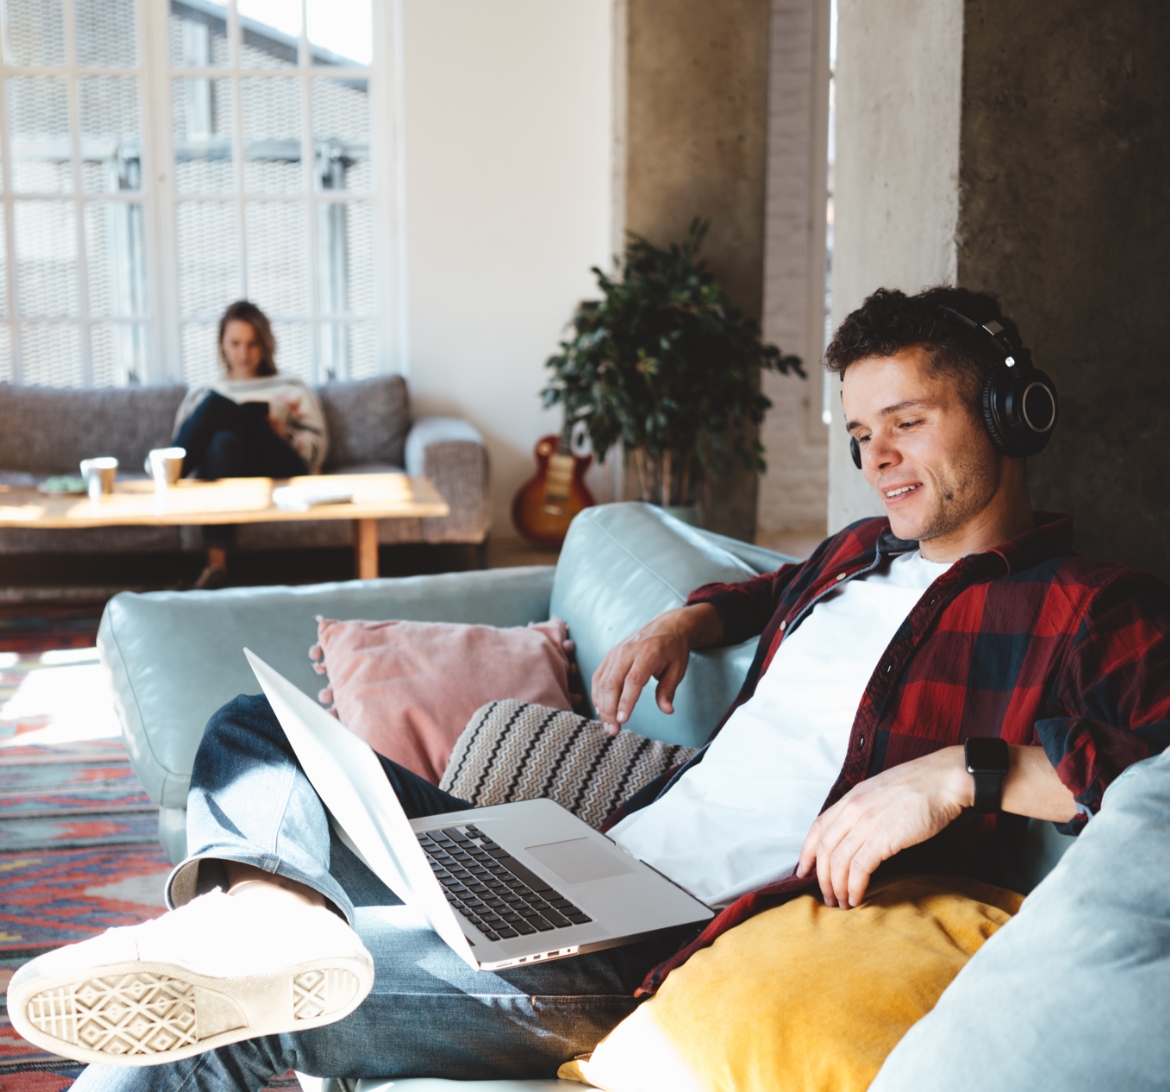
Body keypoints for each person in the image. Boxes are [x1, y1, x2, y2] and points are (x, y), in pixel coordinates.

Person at [12, 287, 1169, 1089]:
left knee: (230, 1018)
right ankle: (264, 905)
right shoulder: (853, 554)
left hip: (649, 949)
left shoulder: (1082, 606)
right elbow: (758, 592)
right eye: (862, 431)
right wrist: (688, 616)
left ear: (1015, 415)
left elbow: (1148, 770)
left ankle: (253, 946)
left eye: (909, 424)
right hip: (583, 854)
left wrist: (960, 773)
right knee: (258, 727)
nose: (877, 459)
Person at [172, 301, 329, 589]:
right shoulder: (201, 392)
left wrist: (286, 437)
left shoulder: (291, 387)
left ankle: (166, 475)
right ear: (222, 344)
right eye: (235, 343)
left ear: (266, 345)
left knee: (217, 407)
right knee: (222, 441)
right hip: (226, 470)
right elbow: (194, 449)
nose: (244, 353)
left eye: (253, 344)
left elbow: (318, 450)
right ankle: (216, 568)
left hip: (282, 470)